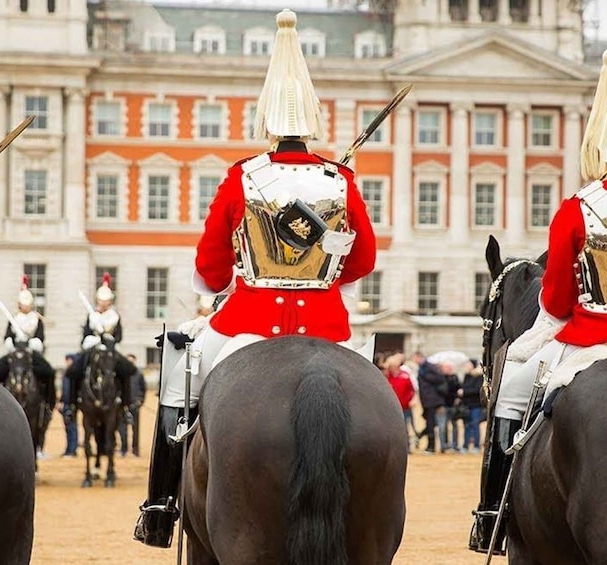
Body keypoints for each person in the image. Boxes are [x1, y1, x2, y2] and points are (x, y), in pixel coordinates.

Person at [134, 8, 376, 548]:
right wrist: (326, 260)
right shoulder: (338, 180)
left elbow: (209, 263)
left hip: (245, 322)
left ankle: (161, 506)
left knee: (179, 377)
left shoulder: (244, 176)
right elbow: (362, 260)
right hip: (329, 327)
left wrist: (214, 286)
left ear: (268, 121)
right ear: (311, 122)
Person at [469, 46, 607, 554]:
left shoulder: (577, 208)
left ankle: (494, 513)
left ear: (593, 150)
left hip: (589, 340)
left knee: (511, 387)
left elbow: (556, 296)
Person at [0, 277, 57, 420]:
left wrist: (31, 343)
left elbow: (40, 338)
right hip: (15, 353)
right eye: (22, 304)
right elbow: (7, 336)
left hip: (32, 354)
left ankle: (48, 405)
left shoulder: (36, 319)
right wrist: (12, 343)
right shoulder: (13, 318)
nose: (25, 307)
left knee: (48, 372)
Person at [66, 273, 122, 407]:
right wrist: (94, 340)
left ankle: (125, 403)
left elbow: (119, 336)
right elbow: (86, 334)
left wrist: (109, 340)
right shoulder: (92, 316)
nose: (103, 304)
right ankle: (73, 403)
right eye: (101, 301)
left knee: (125, 370)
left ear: (110, 302)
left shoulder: (114, 316)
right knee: (75, 369)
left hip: (109, 348)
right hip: (93, 347)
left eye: (105, 301)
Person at [117, 353, 146, 457]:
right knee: (122, 428)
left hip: (135, 404)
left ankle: (135, 450)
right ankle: (123, 449)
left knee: (135, 429)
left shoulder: (139, 373)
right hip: (123, 405)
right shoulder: (121, 374)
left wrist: (140, 401)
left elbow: (143, 389)